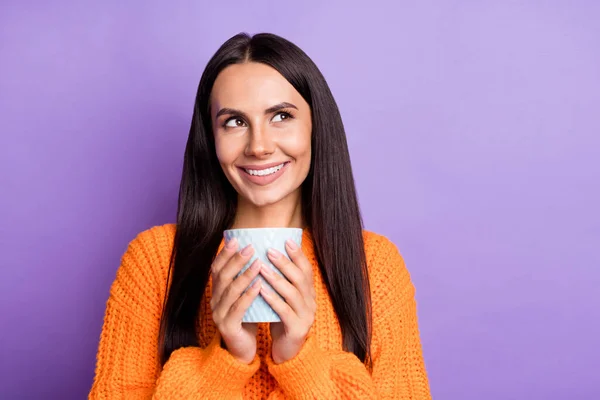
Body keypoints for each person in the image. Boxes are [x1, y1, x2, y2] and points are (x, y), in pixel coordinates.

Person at [89, 32, 431, 399]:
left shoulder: (374, 267)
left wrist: (298, 358)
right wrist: (227, 358)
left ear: (316, 127)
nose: (259, 146)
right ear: (211, 138)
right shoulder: (155, 262)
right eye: (234, 122)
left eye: (281, 116)